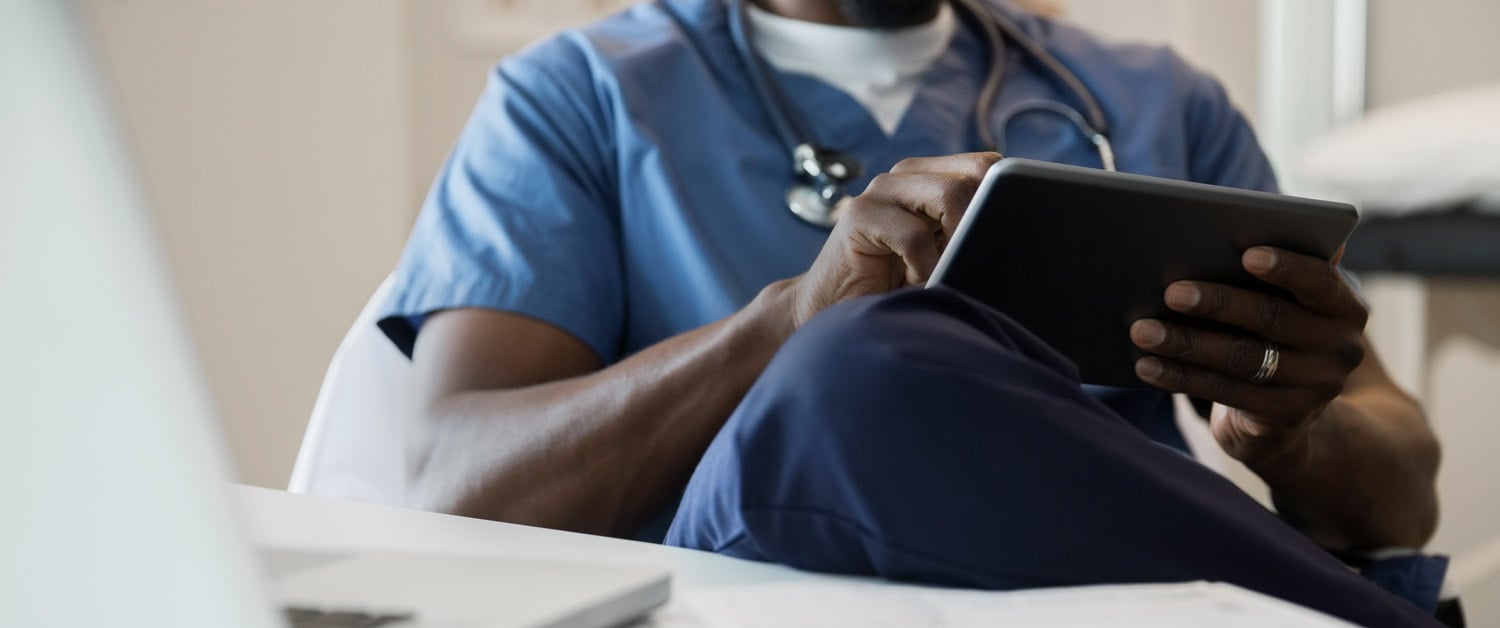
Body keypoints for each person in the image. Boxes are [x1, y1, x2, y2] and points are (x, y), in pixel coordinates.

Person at [376, 0, 1445, 624]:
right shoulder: (578, 97)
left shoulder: (1153, 100)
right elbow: (457, 489)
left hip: (1086, 607)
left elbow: (1400, 499)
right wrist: (788, 322)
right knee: (852, 373)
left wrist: (1295, 431)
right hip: (744, 605)